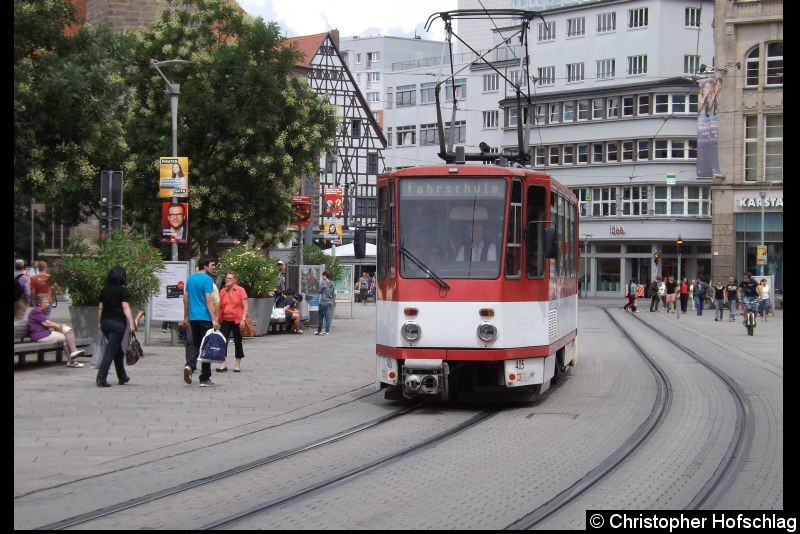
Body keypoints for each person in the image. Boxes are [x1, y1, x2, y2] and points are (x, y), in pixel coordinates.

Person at [96, 266, 137, 387]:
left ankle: (122, 376)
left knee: (117, 350)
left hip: (105, 323)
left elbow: (100, 308)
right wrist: (131, 322)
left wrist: (99, 323)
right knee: (111, 350)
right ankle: (101, 378)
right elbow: (125, 307)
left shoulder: (105, 290)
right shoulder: (122, 290)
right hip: (117, 324)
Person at [183, 255, 219, 387]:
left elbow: (185, 299)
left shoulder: (190, 279)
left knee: (194, 344)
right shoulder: (207, 279)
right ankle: (204, 378)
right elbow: (208, 300)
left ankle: (190, 366)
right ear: (205, 266)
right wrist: (214, 319)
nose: (214, 267)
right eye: (212, 265)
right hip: (205, 317)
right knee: (206, 348)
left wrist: (185, 316)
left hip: (193, 318)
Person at [28, 293, 85, 367]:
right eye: (46, 302)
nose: (48, 304)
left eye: (48, 302)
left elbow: (47, 324)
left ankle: (74, 354)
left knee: (68, 330)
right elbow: (47, 323)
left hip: (45, 332)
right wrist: (58, 325)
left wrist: (58, 326)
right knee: (64, 338)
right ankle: (72, 361)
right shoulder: (36, 311)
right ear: (39, 303)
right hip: (40, 335)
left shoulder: (41, 311)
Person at [216, 271, 248, 372]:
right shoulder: (222, 291)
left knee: (238, 341)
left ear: (235, 280)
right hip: (225, 319)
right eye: (227, 278)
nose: (227, 280)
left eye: (230, 278)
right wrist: (217, 319)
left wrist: (243, 319)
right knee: (222, 341)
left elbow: (245, 305)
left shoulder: (240, 290)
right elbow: (219, 306)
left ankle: (237, 364)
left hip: (237, 319)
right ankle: (223, 363)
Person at [315, 270, 335, 336]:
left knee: (321, 317)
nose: (323, 276)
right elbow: (332, 293)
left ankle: (319, 331)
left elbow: (319, 291)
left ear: (325, 276)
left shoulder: (323, 282)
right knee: (328, 318)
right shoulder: (332, 283)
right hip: (330, 302)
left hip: (323, 302)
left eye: (323, 275)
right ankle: (327, 332)